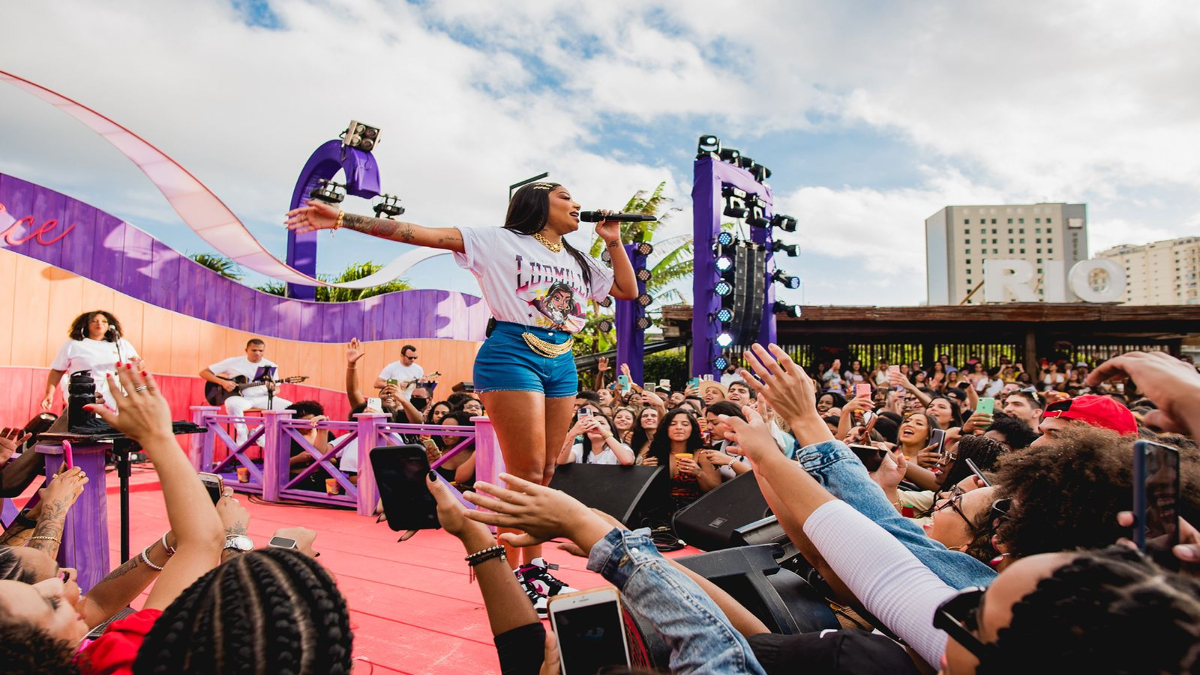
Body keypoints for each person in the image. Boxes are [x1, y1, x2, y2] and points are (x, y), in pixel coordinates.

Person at [289, 181, 637, 605]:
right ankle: (514, 574)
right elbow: (420, 233)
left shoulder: (578, 259)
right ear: (535, 203)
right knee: (524, 471)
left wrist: (614, 243)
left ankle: (534, 565)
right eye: (565, 196)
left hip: (561, 357)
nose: (577, 203)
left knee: (546, 471)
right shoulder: (499, 240)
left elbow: (626, 291)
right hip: (512, 352)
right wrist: (343, 218)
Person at [43, 311, 140, 411]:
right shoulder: (73, 344)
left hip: (112, 387)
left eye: (104, 321)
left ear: (110, 325)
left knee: (127, 413)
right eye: (94, 321)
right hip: (82, 389)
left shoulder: (120, 344)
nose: (99, 324)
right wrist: (49, 394)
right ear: (85, 324)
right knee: (88, 420)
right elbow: (57, 370)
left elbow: (139, 366)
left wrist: (138, 363)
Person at [200, 339, 293, 445]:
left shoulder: (270, 365)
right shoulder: (233, 362)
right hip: (241, 398)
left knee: (290, 408)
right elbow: (204, 372)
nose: (258, 353)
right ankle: (242, 433)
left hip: (263, 398)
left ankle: (259, 432)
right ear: (246, 350)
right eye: (254, 350)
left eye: (261, 351)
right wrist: (222, 382)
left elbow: (277, 388)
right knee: (231, 403)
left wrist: (272, 390)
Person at [644, 409, 705, 512]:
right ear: (665, 428)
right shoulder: (656, 453)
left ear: (692, 428)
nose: (679, 428)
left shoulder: (703, 454)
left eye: (685, 424)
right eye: (672, 424)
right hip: (658, 512)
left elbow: (715, 489)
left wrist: (698, 472)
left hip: (694, 511)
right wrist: (643, 471)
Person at [556, 411, 634, 465]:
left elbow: (627, 461)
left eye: (601, 423)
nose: (595, 426)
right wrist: (573, 433)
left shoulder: (622, 447)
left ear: (611, 430)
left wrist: (603, 432)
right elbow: (561, 461)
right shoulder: (579, 449)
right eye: (591, 423)